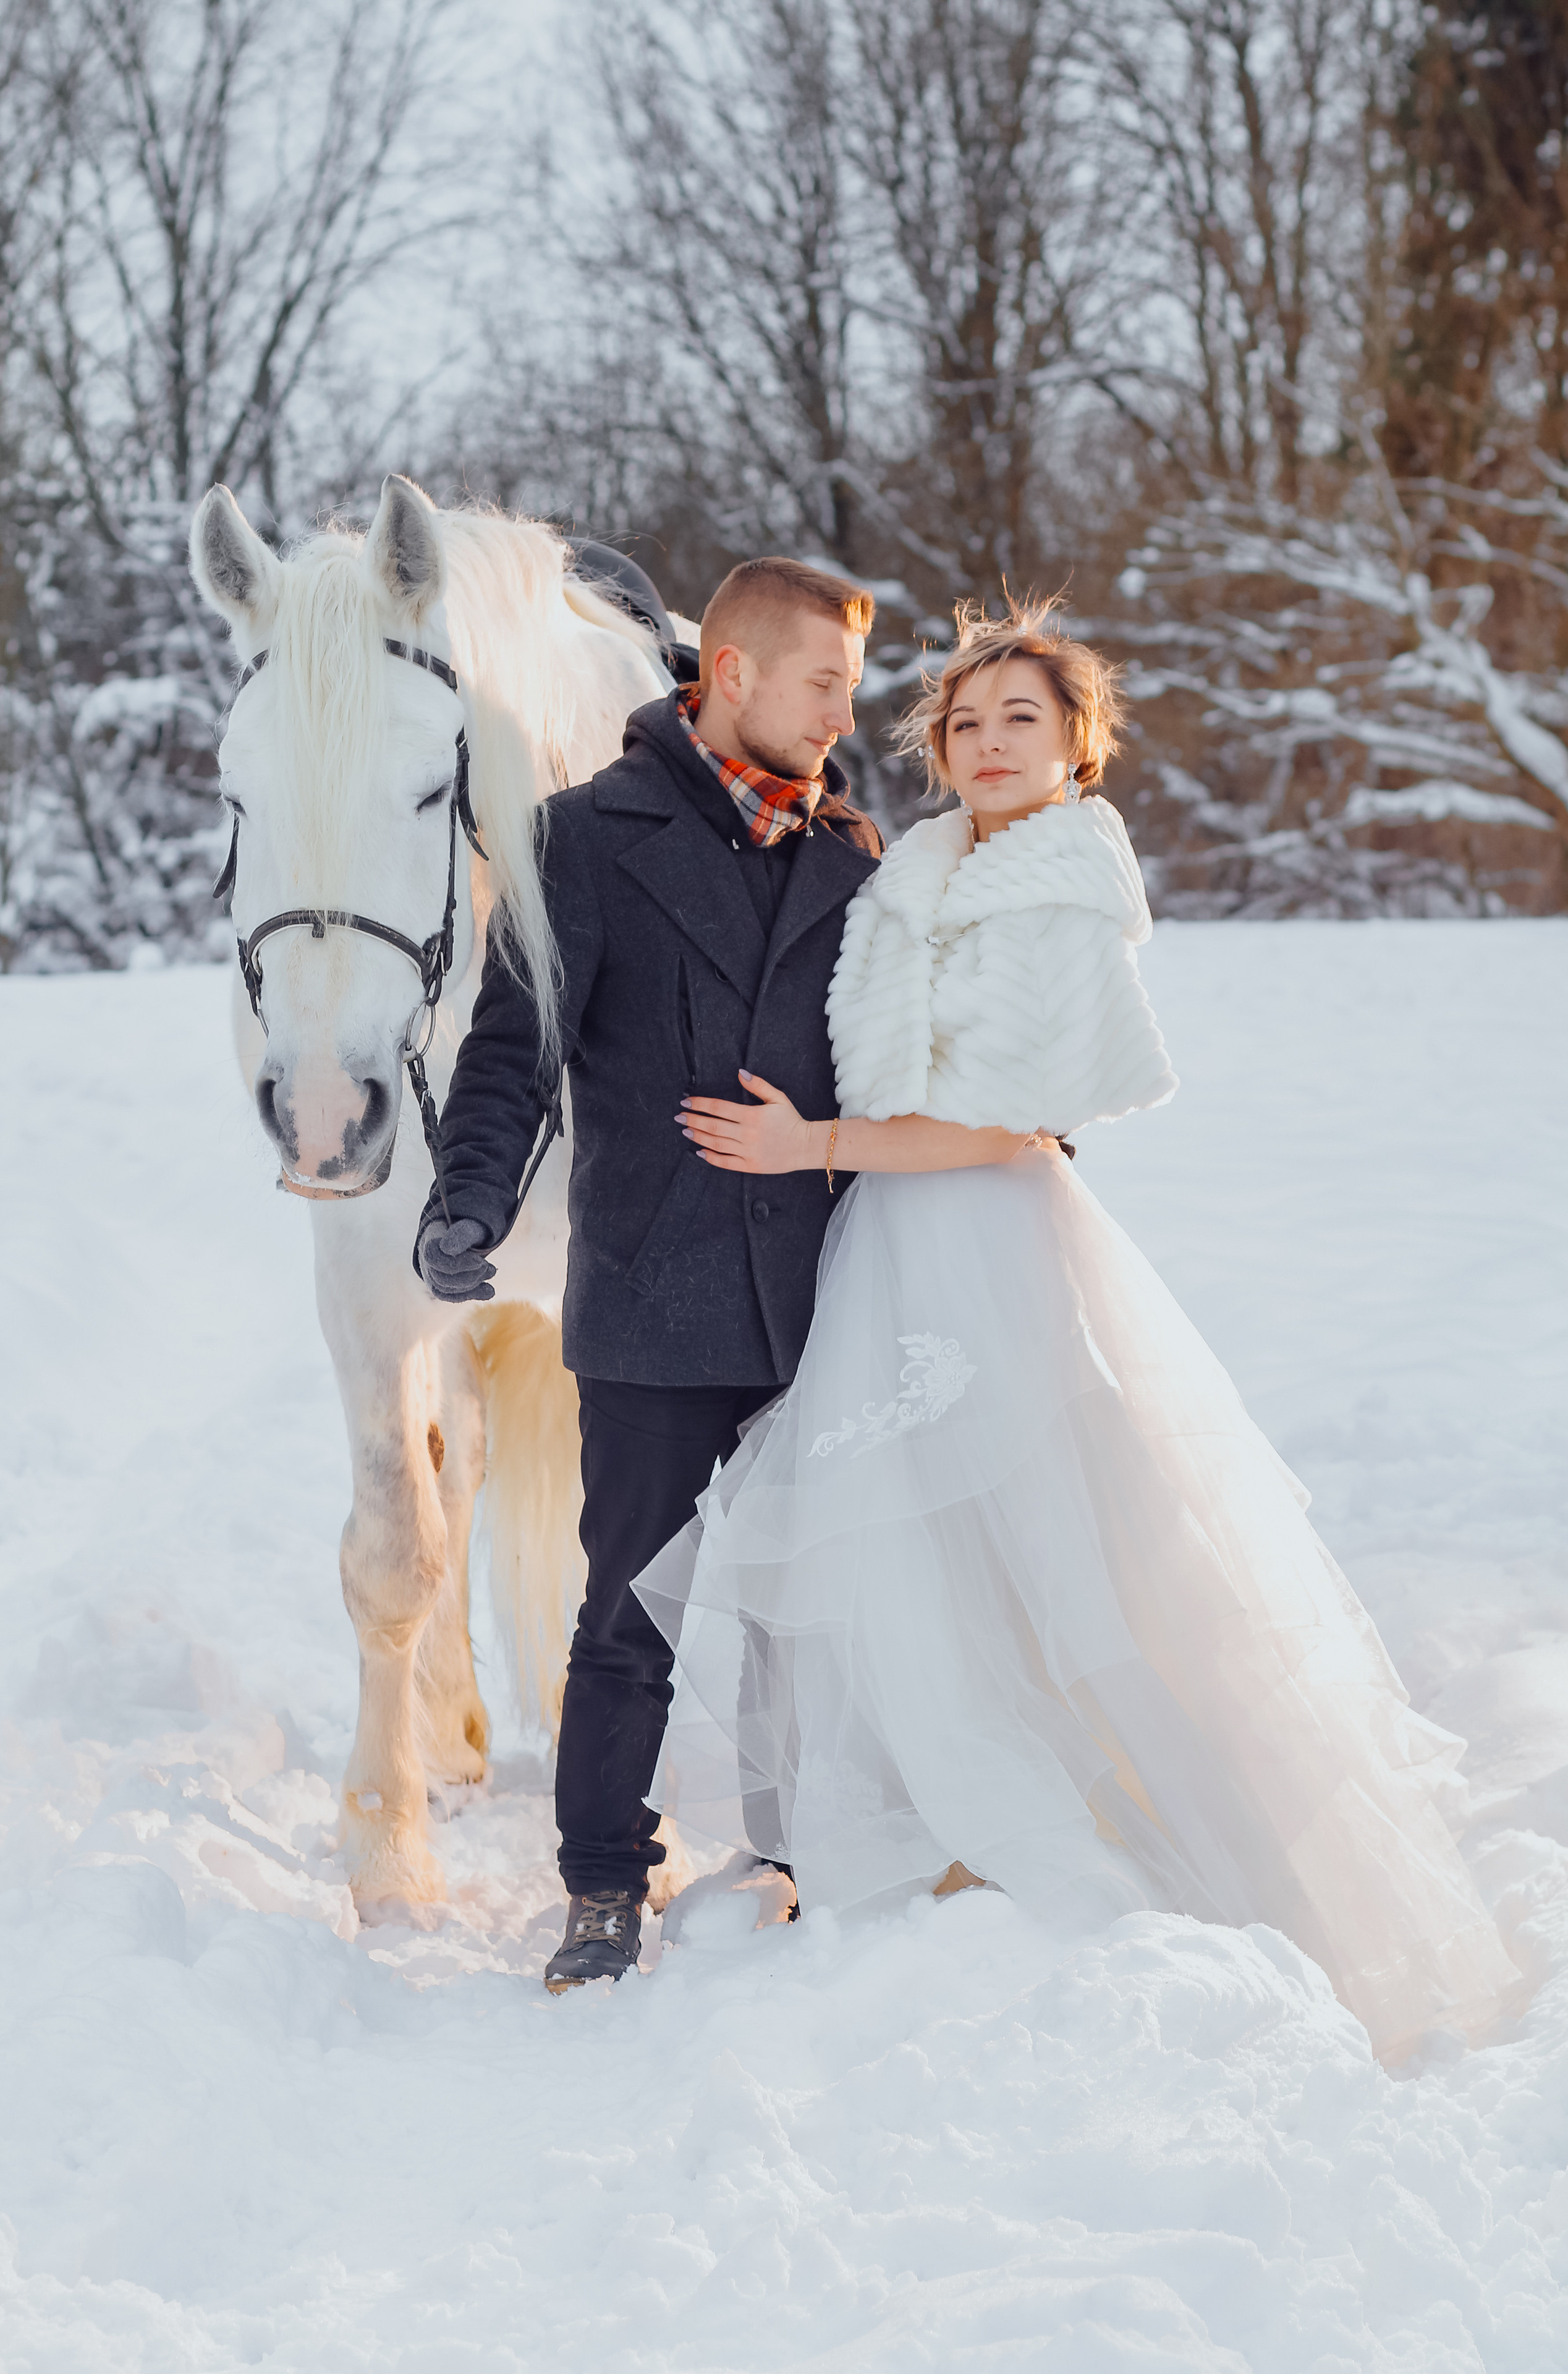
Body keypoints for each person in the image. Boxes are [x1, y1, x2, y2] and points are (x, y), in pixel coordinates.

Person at [634, 598, 1522, 2062]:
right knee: (913, 1543)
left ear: (1077, 747)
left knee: (1040, 1525)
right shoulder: (916, 873)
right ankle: (931, 1833)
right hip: (889, 1240)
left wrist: (814, 1148)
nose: (988, 746)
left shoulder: (1054, 896)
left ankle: (1064, 1829)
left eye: (1021, 723)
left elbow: (1007, 1126)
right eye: (966, 723)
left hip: (982, 1236)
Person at [413, 556, 883, 1992]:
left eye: (849, 688)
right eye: (822, 683)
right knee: (628, 1610)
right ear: (728, 673)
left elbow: (908, 1046)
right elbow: (511, 1054)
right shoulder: (579, 840)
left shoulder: (854, 854)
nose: (841, 713)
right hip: (651, 1298)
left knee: (819, 1600)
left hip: (825, 1297)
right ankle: (604, 1885)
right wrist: (466, 1202)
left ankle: (810, 1849)